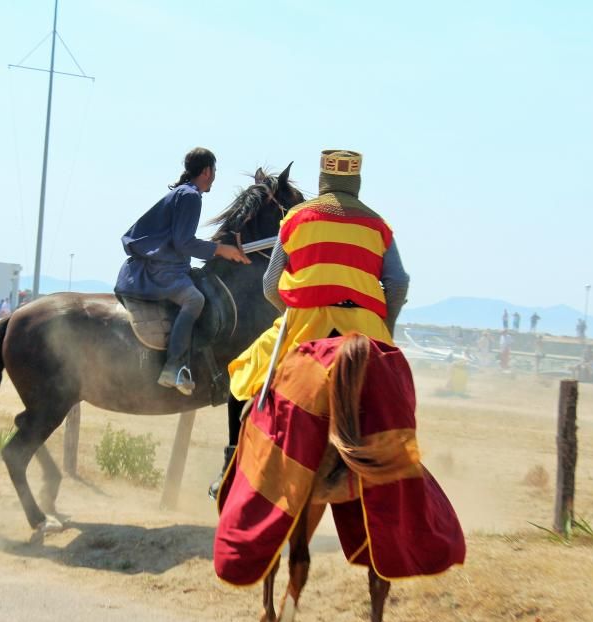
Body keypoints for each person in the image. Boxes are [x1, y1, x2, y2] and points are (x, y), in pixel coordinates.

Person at [210, 149, 410, 497]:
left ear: (322, 181)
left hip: (305, 322)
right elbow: (398, 283)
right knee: (397, 396)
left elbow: (270, 284)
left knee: (241, 378)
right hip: (363, 326)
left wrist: (290, 311)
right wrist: (384, 325)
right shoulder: (379, 224)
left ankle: (229, 472)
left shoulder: (297, 218)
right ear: (356, 183)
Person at [115, 147, 249, 395]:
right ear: (207, 171)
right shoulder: (191, 196)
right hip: (161, 270)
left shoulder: (183, 193)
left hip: (160, 266)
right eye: (215, 171)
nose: (215, 176)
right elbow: (184, 243)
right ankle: (174, 367)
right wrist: (222, 250)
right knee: (195, 299)